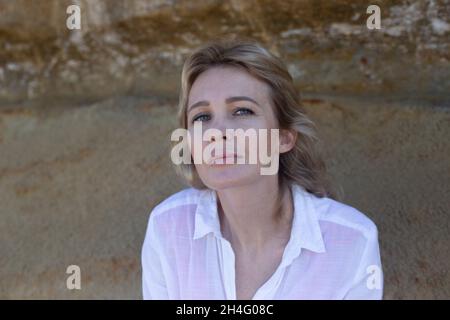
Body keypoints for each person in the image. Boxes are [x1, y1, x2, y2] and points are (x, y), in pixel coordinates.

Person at [141, 38, 383, 300]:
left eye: (242, 111)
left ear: (284, 137)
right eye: (201, 117)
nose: (216, 132)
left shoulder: (353, 241)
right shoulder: (168, 226)